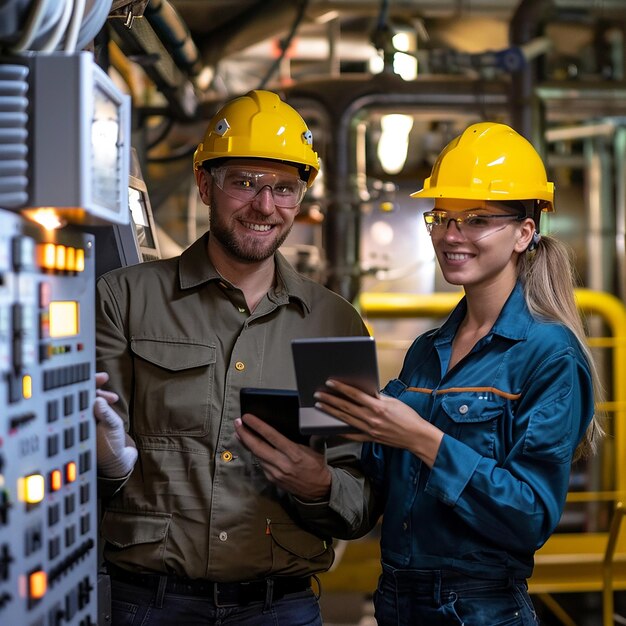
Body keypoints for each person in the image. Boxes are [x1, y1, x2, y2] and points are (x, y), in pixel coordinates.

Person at [94, 89, 375, 626]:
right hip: (148, 603)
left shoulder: (333, 324)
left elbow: (359, 500)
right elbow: (82, 472)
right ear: (205, 185)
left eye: (284, 188)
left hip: (280, 606)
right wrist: (106, 464)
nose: (264, 206)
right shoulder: (126, 299)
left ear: (301, 196)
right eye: (244, 182)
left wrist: (318, 483)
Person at [314, 122, 602, 625]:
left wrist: (425, 439)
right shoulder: (428, 350)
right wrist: (319, 460)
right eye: (443, 217)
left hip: (478, 609)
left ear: (524, 233)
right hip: (398, 600)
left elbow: (530, 516)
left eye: (477, 220)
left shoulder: (550, 355)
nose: (450, 236)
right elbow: (381, 482)